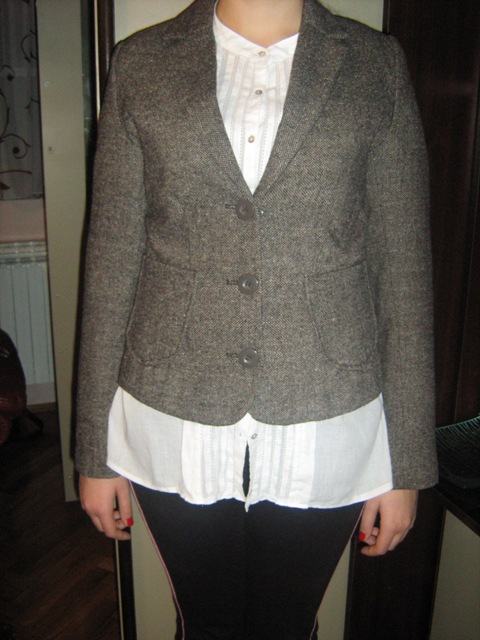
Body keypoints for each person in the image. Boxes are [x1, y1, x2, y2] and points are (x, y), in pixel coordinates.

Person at [75, 0, 438, 637]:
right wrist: (94, 451)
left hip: (328, 411)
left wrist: (406, 464)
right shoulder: (141, 63)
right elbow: (110, 264)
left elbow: (403, 269)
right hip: (171, 408)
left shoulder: (374, 64)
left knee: (285, 622)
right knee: (206, 621)